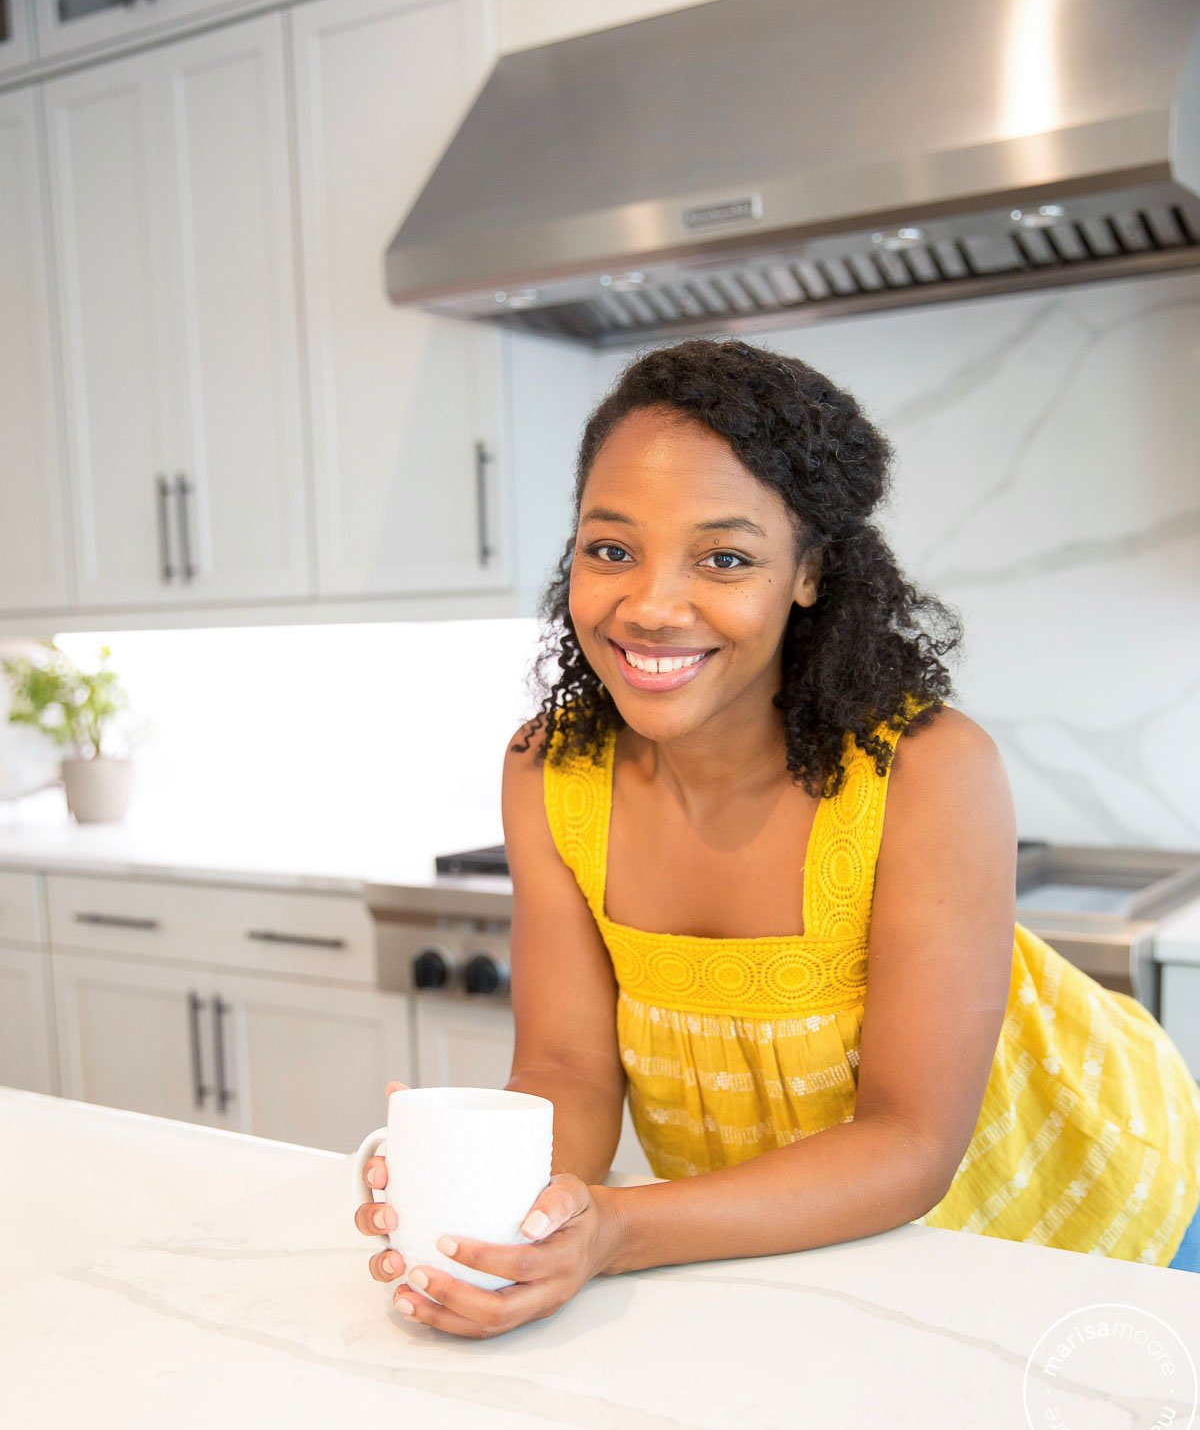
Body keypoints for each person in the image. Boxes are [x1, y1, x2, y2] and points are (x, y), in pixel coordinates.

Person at [355, 338, 1200, 1338]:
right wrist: (496, 1202)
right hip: (812, 1254)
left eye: (726, 558)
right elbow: (567, 1071)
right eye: (610, 548)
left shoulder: (927, 773)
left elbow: (910, 1141)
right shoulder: (549, 773)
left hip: (1099, 1222)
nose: (652, 606)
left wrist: (616, 1229)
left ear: (809, 573)